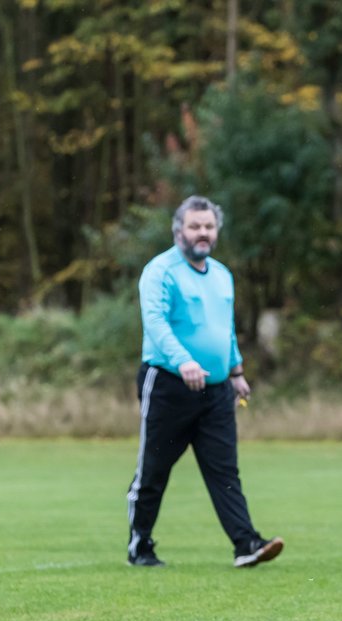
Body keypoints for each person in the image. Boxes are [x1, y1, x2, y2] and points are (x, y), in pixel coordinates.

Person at [126, 195, 283, 569]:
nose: (202, 233)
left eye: (208, 227)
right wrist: (183, 362)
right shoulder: (160, 271)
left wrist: (236, 371)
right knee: (154, 471)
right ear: (178, 230)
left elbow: (223, 329)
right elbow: (156, 323)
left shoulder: (222, 275)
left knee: (224, 470)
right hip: (167, 385)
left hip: (216, 392)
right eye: (195, 226)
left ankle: (246, 544)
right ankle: (140, 545)